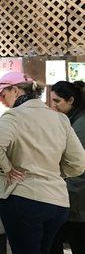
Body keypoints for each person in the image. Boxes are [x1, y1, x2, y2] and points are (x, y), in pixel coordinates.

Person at [0, 72, 85, 254]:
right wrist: (56, 172)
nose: (3, 102)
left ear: (15, 90)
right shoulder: (60, 119)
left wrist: (6, 169)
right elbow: (79, 162)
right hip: (57, 202)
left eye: (3, 95)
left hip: (24, 199)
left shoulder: (14, 116)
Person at [50, 81, 85, 254]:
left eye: (57, 101)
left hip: (77, 199)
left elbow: (78, 165)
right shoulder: (71, 120)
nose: (53, 106)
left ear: (71, 100)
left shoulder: (80, 124)